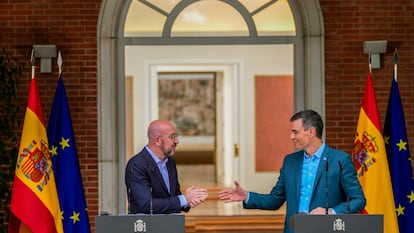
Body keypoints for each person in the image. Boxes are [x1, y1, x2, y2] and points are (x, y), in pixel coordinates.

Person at [218, 110, 366, 233]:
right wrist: (247, 196)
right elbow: (275, 200)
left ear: (311, 132)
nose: (291, 137)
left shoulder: (340, 160)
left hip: (326, 229)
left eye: (295, 132)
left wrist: (331, 212)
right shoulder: (290, 161)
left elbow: (358, 200)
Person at [125, 120, 208, 214]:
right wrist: (183, 199)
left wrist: (190, 199)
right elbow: (147, 205)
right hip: (147, 226)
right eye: (172, 137)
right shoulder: (137, 165)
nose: (177, 141)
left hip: (170, 225)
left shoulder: (170, 163)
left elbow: (174, 196)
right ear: (158, 140)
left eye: (176, 137)